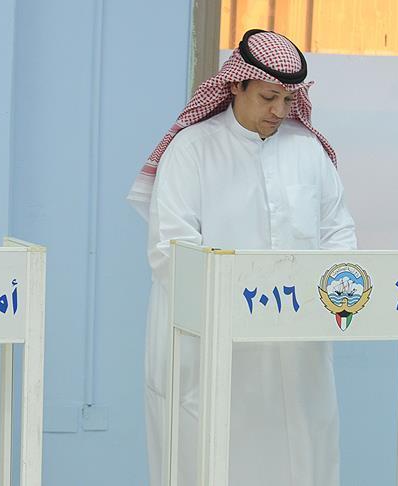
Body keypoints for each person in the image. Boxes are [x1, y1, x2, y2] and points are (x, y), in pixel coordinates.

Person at [128, 29, 357, 486]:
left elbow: (338, 233)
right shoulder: (192, 149)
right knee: (210, 459)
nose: (279, 111)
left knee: (300, 455)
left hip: (295, 345)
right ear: (236, 84)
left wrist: (330, 296)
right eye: (268, 97)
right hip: (211, 345)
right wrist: (237, 303)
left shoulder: (308, 150)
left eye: (288, 100)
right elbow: (170, 249)